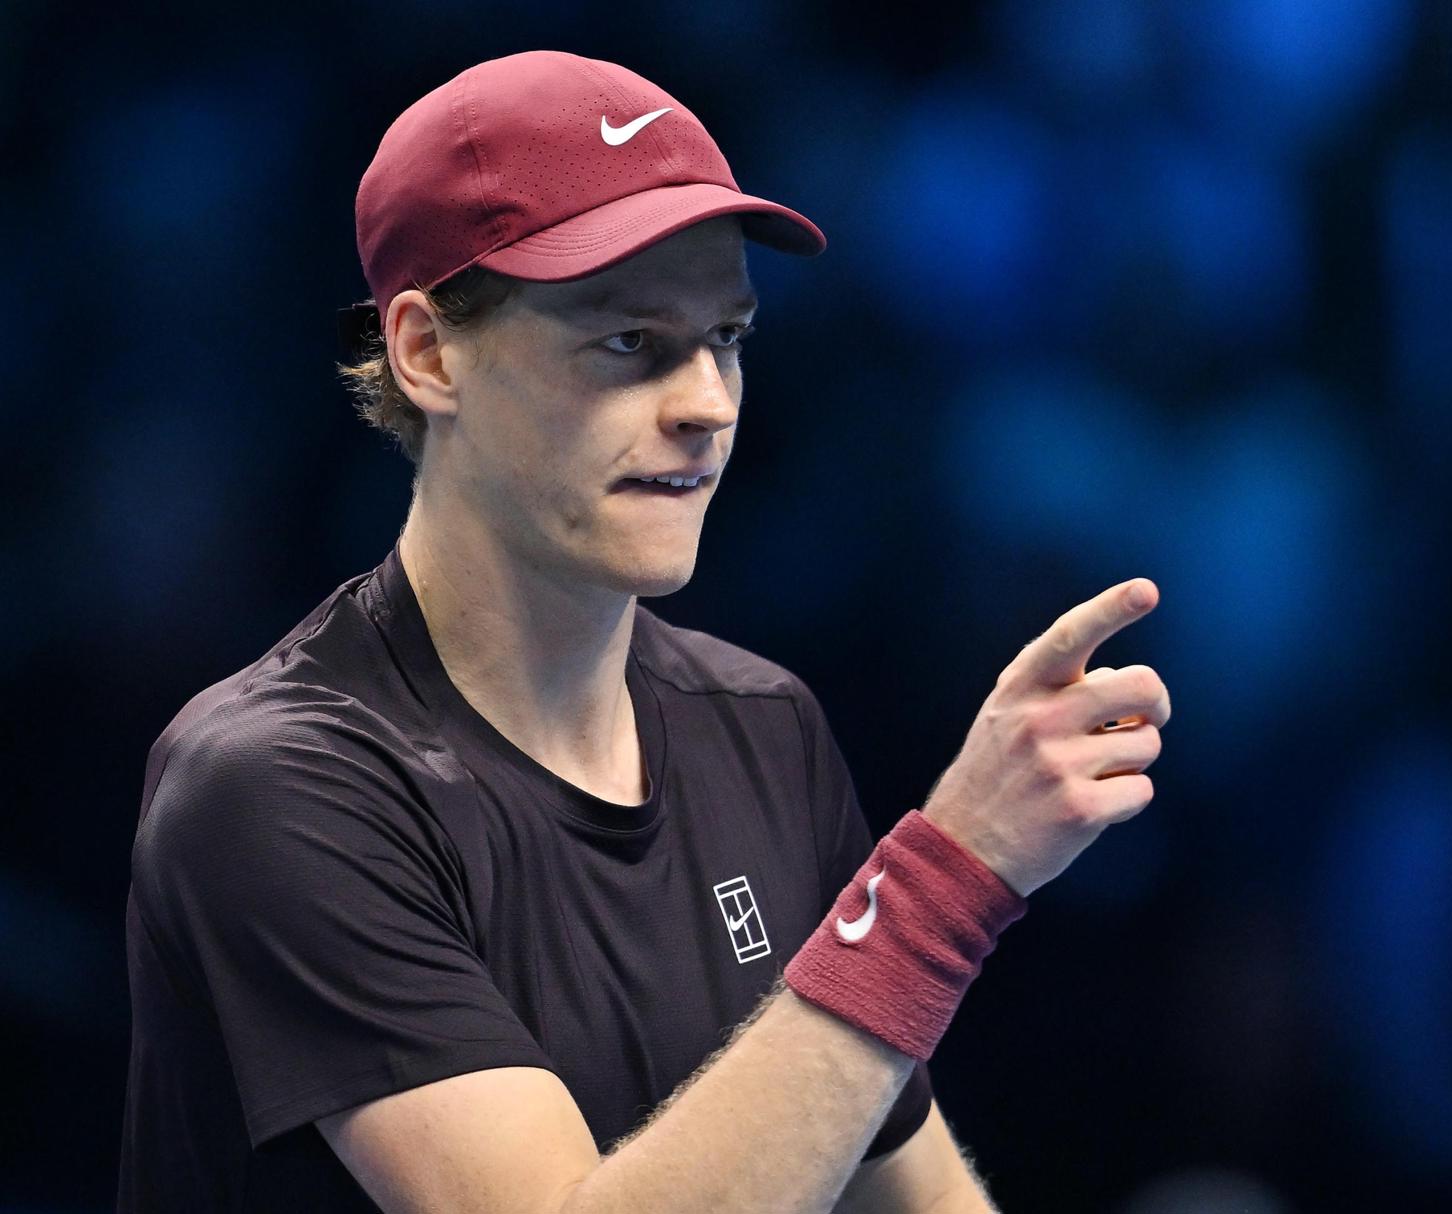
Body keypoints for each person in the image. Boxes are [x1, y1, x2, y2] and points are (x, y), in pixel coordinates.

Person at [116, 49, 1169, 1213]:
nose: (707, 403)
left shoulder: (765, 728)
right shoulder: (278, 785)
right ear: (427, 352)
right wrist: (949, 876)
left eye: (725, 336)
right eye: (629, 342)